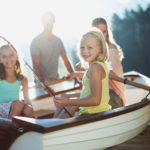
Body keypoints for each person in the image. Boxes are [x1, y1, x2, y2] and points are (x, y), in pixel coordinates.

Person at [53, 30, 111, 118]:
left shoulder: (95, 68)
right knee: (66, 108)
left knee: (67, 110)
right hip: (92, 112)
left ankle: (53, 126)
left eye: (90, 47)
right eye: (82, 47)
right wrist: (69, 96)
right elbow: (87, 94)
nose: (85, 51)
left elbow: (95, 100)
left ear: (100, 49)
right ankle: (54, 124)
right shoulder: (96, 66)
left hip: (94, 114)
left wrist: (68, 101)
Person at [73, 18, 126, 109]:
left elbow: (112, 75)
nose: (102, 35)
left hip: (114, 95)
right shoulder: (95, 53)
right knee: (72, 101)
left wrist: (86, 68)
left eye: (104, 31)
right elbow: (97, 75)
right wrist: (79, 72)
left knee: (73, 104)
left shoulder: (111, 49)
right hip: (103, 91)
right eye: (98, 31)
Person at [30, 11, 78, 85]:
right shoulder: (36, 42)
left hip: (56, 81)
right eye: (46, 20)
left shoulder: (58, 41)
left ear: (53, 21)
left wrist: (75, 78)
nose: (48, 23)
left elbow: (66, 62)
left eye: (50, 20)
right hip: (41, 84)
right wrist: (44, 84)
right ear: (42, 22)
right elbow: (36, 65)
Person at [0, 44, 33, 119]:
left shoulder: (22, 79)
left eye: (11, 55)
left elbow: (27, 99)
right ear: (0, 60)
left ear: (16, 56)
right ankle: (10, 125)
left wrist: (31, 110)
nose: (8, 59)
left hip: (15, 109)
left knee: (28, 109)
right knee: (18, 103)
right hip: (1, 108)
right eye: (4, 57)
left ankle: (13, 124)